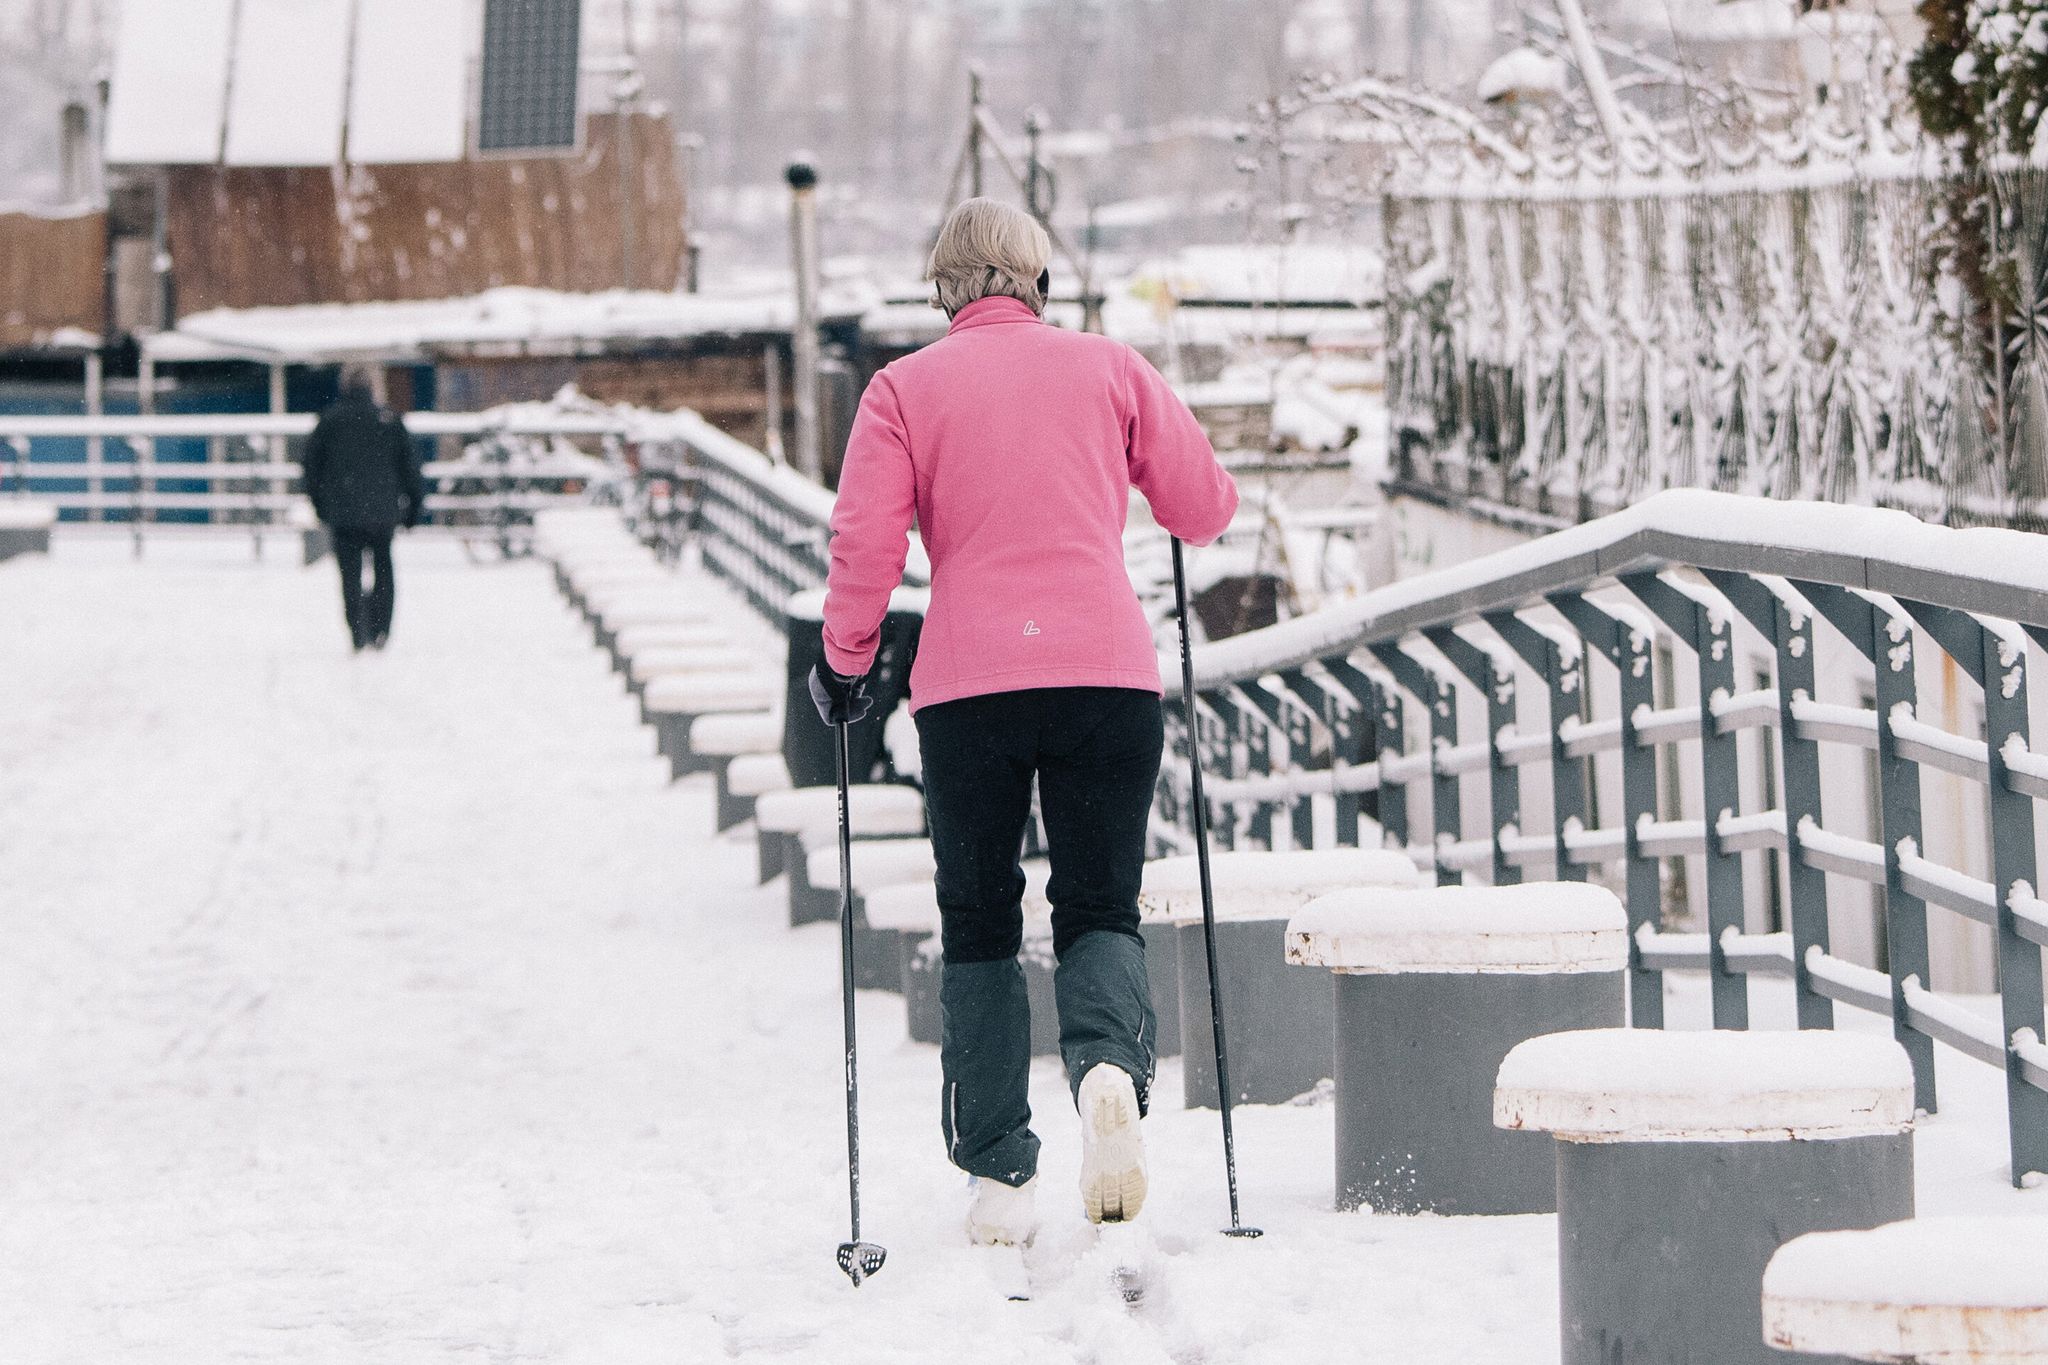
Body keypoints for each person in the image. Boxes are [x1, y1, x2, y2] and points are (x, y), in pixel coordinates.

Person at [812, 197, 1238, 1247]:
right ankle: (1106, 1073)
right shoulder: (1110, 367)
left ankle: (1000, 1171)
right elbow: (1203, 509)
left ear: (942, 291)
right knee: (1098, 904)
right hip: (1106, 679)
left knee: (979, 919)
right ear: (1038, 281)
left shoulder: (901, 389)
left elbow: (865, 548)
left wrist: (844, 664)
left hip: (968, 692)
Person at [300, 368, 425, 652]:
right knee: (384, 569)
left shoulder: (330, 420)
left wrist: (321, 505)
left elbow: (311, 467)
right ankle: (380, 629)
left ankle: (358, 630)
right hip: (383, 513)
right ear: (372, 388)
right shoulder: (389, 419)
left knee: (350, 574)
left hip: (343, 514)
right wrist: (414, 508)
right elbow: (411, 467)